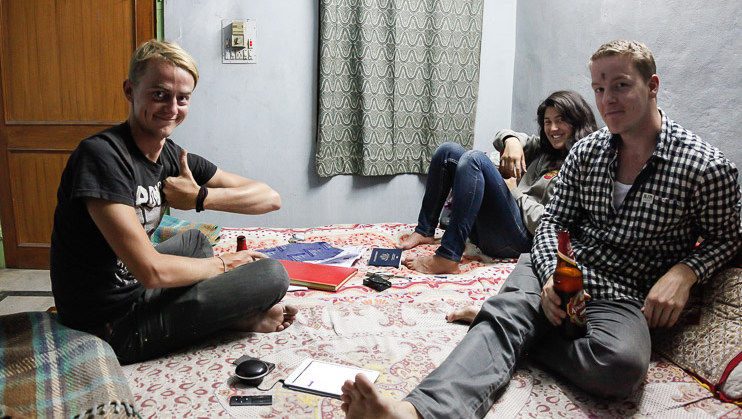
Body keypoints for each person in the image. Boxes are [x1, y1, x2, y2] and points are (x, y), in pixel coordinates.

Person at [340, 40, 741, 418]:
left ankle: (508, 325)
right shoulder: (588, 152)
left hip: (624, 292)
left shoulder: (704, 167)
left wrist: (686, 272)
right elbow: (554, 221)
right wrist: (552, 276)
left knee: (620, 369)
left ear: (652, 86)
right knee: (508, 316)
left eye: (620, 86)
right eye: (599, 89)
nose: (608, 100)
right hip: (559, 268)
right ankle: (417, 411)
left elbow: (728, 236)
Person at [50, 40, 297, 364]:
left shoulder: (170, 156)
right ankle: (235, 316)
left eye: (182, 98)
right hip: (108, 323)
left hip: (132, 284)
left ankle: (228, 313)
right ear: (130, 90)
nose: (171, 108)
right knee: (272, 275)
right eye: (159, 95)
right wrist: (224, 266)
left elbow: (270, 198)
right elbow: (151, 271)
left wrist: (200, 197)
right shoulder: (102, 156)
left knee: (195, 241)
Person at [400, 91, 597, 276]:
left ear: (577, 122)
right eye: (548, 122)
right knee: (448, 152)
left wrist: (514, 192)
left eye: (560, 121)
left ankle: (447, 257)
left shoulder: (583, 166)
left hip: (521, 240)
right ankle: (424, 230)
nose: (553, 129)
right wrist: (512, 141)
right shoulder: (542, 148)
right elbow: (501, 137)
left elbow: (550, 225)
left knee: (474, 159)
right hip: (498, 227)